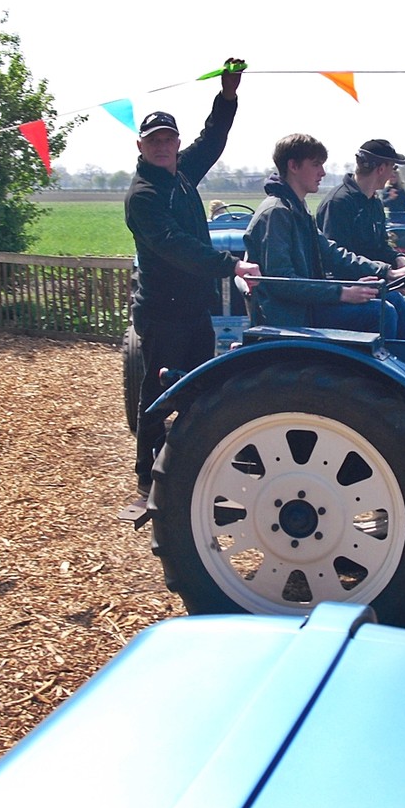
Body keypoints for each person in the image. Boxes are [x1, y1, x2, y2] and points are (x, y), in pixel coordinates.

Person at [124, 57, 260, 496]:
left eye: (168, 139)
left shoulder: (181, 173)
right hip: (162, 312)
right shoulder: (143, 196)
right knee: (156, 394)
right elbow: (175, 245)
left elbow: (213, 140)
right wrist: (231, 265)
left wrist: (227, 95)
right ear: (141, 146)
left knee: (200, 389)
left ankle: (196, 464)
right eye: (154, 141)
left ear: (176, 143)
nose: (162, 146)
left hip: (195, 308)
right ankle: (146, 474)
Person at [244, 133, 405, 340]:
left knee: (392, 299)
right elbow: (282, 281)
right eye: (316, 165)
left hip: (307, 306)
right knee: (383, 312)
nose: (322, 172)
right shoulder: (277, 213)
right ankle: (388, 362)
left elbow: (332, 253)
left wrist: (386, 272)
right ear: (293, 166)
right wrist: (342, 292)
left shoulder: (297, 209)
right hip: (292, 315)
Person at [316, 138, 405, 270]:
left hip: (376, 277)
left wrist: (399, 259)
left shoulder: (375, 202)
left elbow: (380, 247)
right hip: (352, 282)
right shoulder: (338, 203)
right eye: (393, 167)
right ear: (381, 169)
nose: (392, 173)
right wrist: (384, 272)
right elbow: (336, 260)